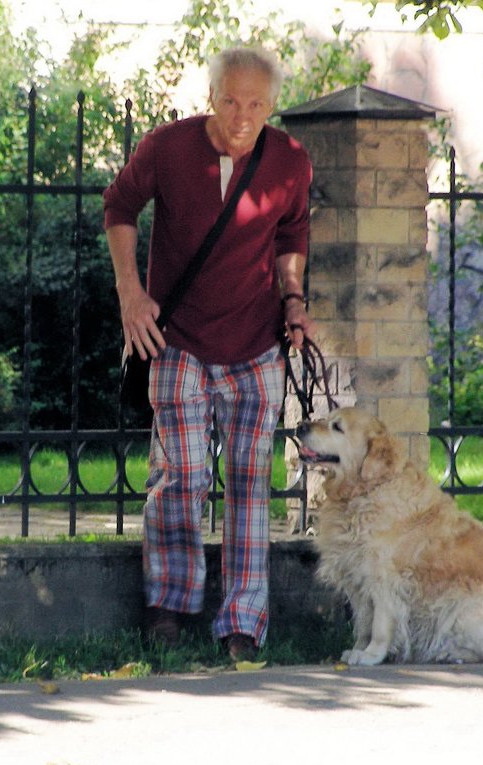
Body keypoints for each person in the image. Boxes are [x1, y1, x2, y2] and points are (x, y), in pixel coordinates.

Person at [102, 45, 314, 662]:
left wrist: (294, 297)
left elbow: (291, 235)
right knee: (182, 474)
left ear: (272, 106)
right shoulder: (167, 148)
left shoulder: (289, 162)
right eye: (230, 101)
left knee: (250, 485)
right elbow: (119, 206)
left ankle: (243, 622)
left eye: (256, 104)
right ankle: (168, 603)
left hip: (255, 344)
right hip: (176, 343)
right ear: (211, 97)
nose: (242, 115)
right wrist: (130, 294)